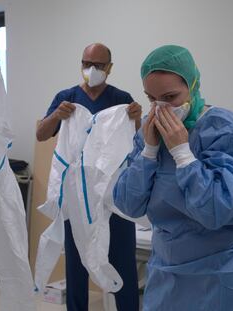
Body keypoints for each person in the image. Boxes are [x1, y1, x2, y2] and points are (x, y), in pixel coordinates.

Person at [113, 44, 233, 311]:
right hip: (167, 273)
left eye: (170, 96)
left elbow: (215, 210)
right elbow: (127, 204)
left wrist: (183, 154)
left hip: (223, 276)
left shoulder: (228, 133)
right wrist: (149, 152)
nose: (161, 108)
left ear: (194, 85)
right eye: (152, 98)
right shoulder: (150, 134)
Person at [37, 43, 141, 311]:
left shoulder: (121, 99)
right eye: (86, 64)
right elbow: (41, 133)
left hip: (112, 195)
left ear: (110, 68)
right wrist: (56, 116)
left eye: (98, 65)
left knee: (124, 264)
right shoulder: (67, 97)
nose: (91, 70)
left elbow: (137, 140)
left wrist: (136, 118)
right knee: (77, 264)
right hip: (77, 196)